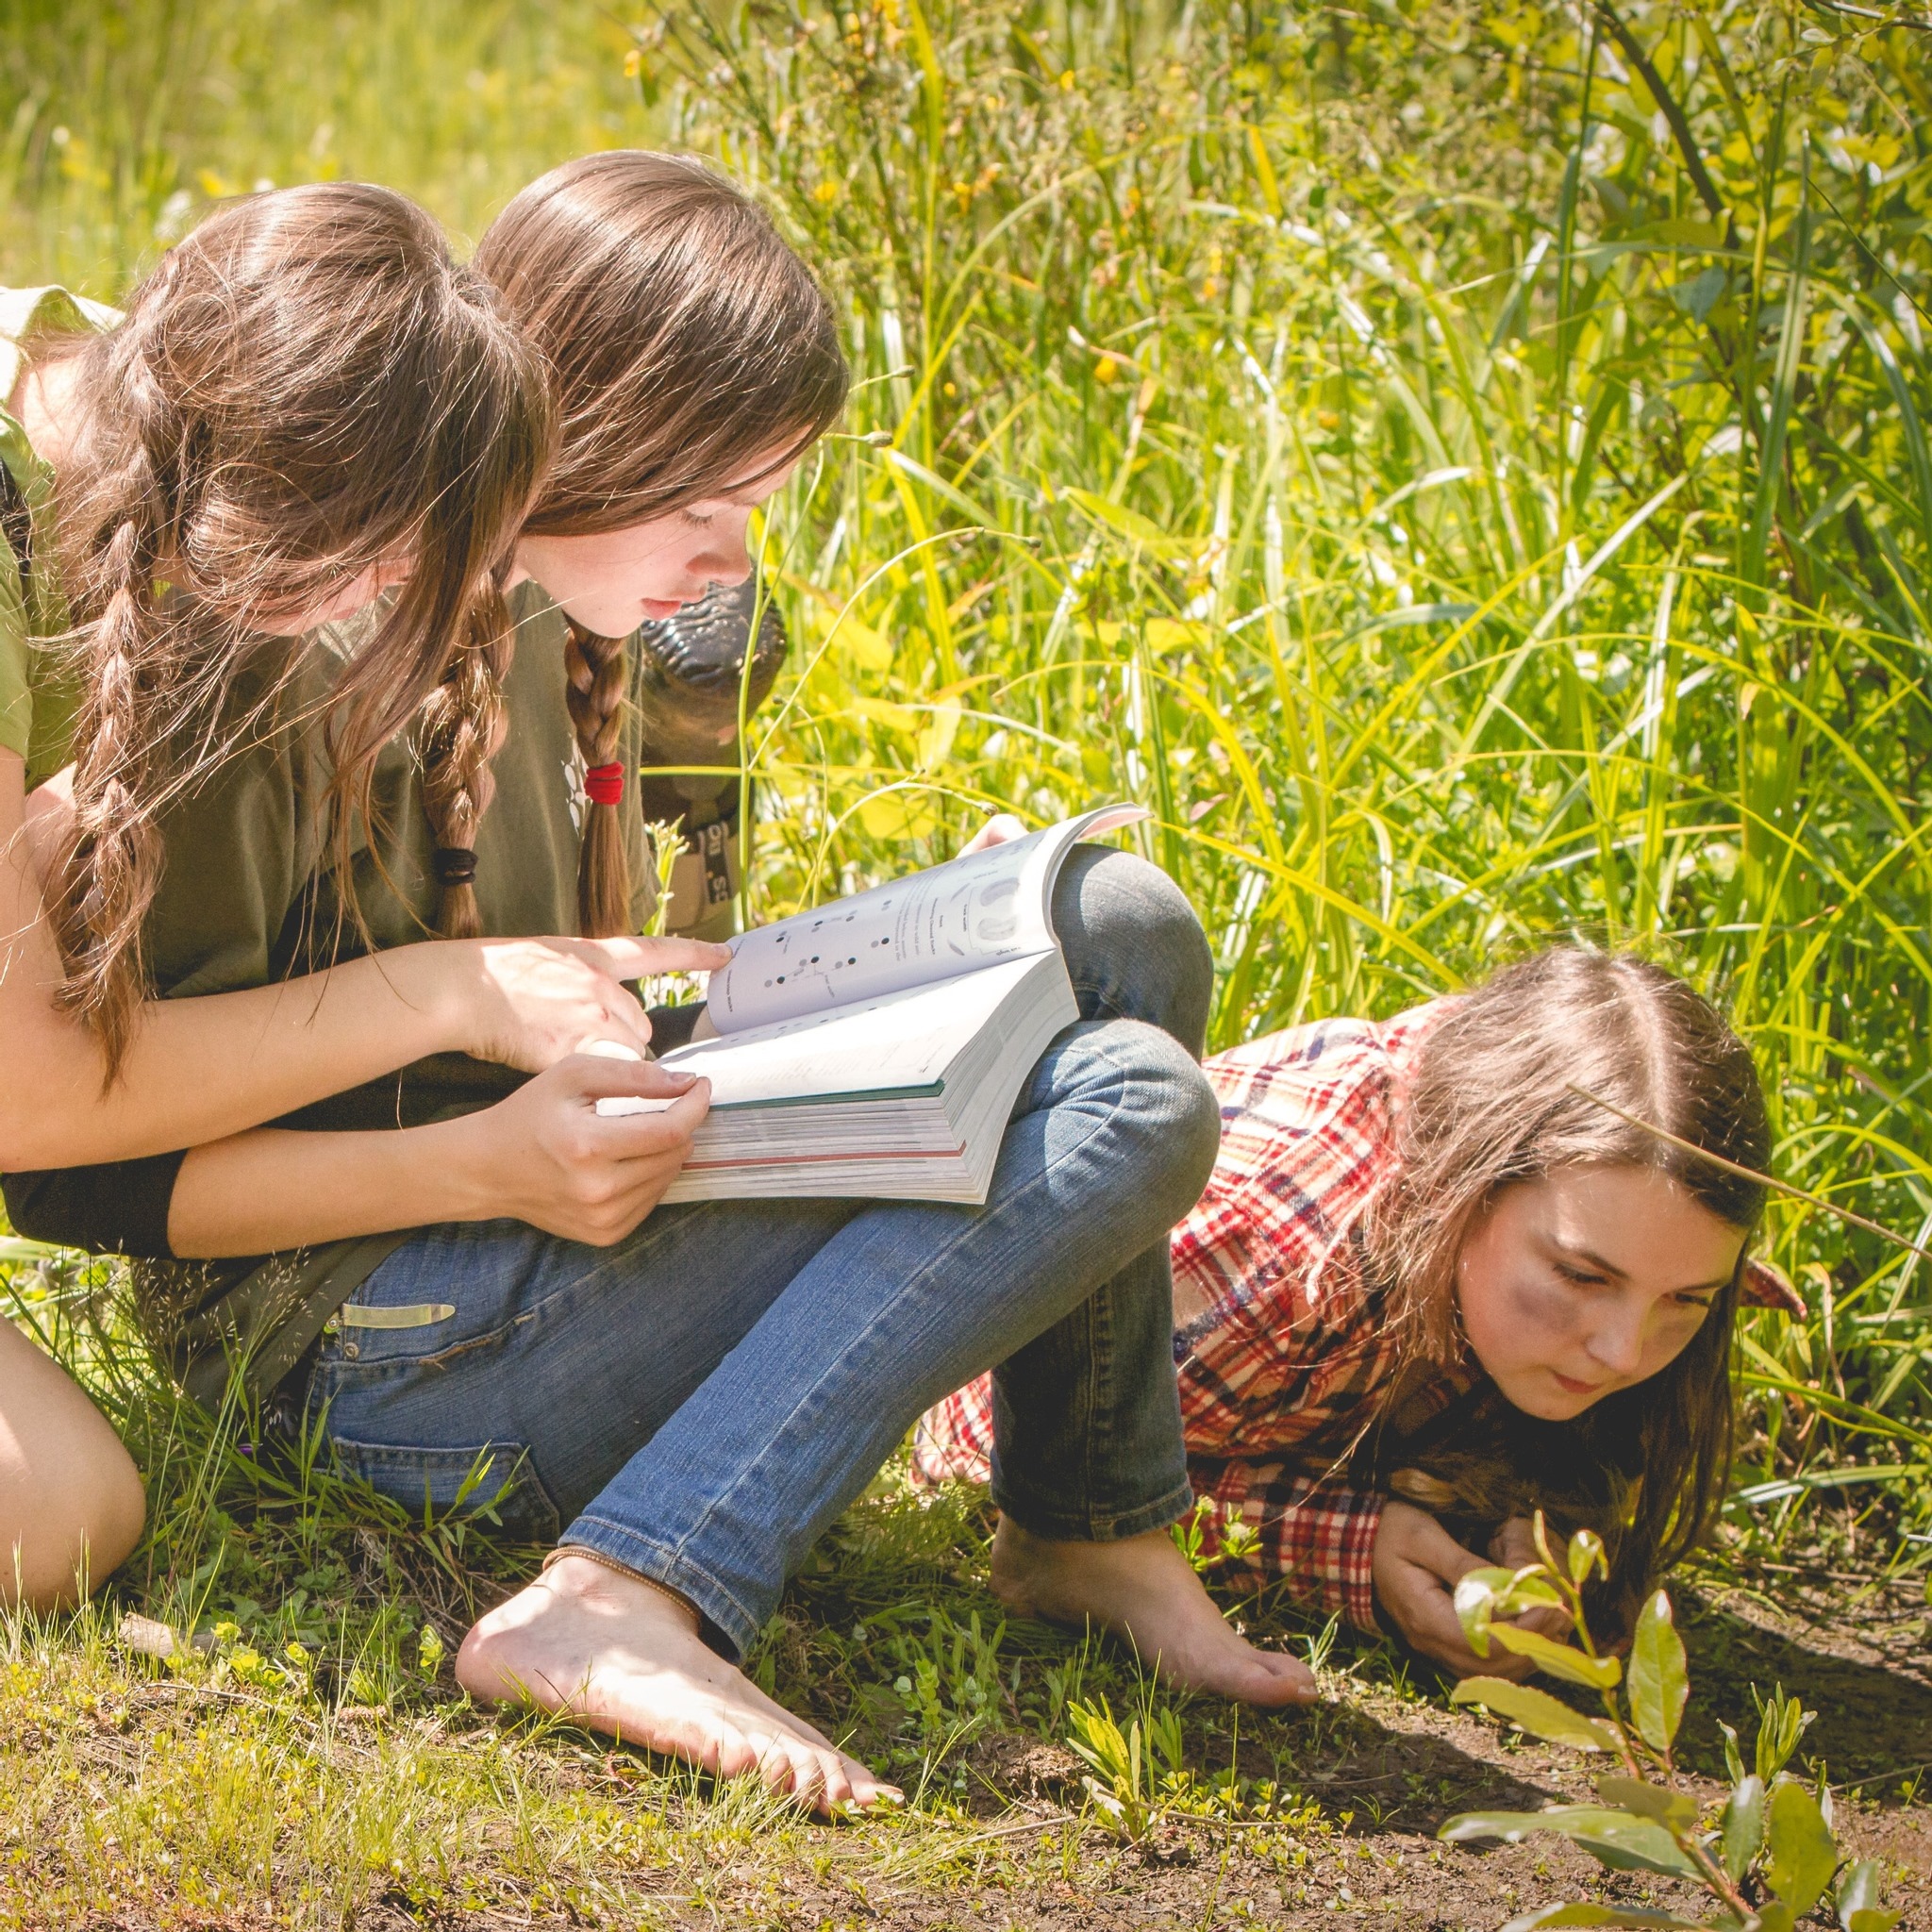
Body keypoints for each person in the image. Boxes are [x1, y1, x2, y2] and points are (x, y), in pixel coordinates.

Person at [7, 152, 1312, 1811]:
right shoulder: (285, 621)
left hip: (564, 1204)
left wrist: (949, 957)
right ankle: (623, 1586)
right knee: (1130, 1101)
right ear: (570, 439)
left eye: (758, 507)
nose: (730, 553)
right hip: (359, 1320)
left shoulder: (680, 646)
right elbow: (71, 1163)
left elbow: (651, 989)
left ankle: (1087, 1521)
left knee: (1110, 923)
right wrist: (472, 1115)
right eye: (704, 502)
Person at [0, 188, 706, 1611]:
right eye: (395, 563)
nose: (399, 608)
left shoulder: (139, 400)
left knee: (69, 1504)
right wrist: (450, 991)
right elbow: (24, 1101)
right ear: (297, 489)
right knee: (57, 1515)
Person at [917, 945, 1803, 1673]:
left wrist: (1533, 1529)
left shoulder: (1619, 1202)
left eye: (1688, 1301)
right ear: (1463, 1189)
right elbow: (978, 1435)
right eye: (1580, 1278)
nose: (1622, 1351)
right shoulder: (1276, 1274)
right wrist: (1342, 1543)